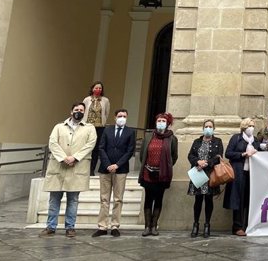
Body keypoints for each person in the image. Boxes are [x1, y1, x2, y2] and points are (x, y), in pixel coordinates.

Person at [39, 102, 97, 238]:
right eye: (76, 109)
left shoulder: (90, 128)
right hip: (59, 167)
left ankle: (70, 227)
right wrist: (64, 158)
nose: (79, 112)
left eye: (82, 110)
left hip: (77, 168)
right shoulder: (59, 127)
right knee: (54, 200)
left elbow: (90, 144)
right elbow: (52, 142)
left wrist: (75, 158)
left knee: (73, 200)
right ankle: (50, 227)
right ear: (71, 112)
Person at [92, 109, 136, 238]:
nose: (122, 118)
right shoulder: (107, 130)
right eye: (120, 116)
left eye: (124, 116)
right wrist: (108, 164)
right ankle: (102, 226)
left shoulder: (130, 132)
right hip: (105, 169)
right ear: (115, 117)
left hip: (121, 170)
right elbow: (101, 147)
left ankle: (115, 225)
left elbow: (130, 151)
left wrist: (117, 165)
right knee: (104, 199)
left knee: (118, 199)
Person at [138, 113, 178, 236]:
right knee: (148, 199)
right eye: (159, 120)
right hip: (147, 173)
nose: (161, 122)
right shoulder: (149, 136)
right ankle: (147, 226)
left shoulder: (172, 138)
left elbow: (174, 157)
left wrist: (165, 167)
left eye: (163, 120)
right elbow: (142, 155)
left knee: (159, 199)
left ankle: (154, 226)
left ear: (167, 123)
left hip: (162, 175)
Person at [223, 118, 260, 236]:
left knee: (249, 199)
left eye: (253, 126)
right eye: (250, 125)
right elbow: (228, 153)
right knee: (238, 199)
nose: (252, 128)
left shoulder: (255, 141)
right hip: (238, 173)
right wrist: (243, 154)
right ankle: (237, 226)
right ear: (244, 127)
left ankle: (248, 225)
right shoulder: (236, 138)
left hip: (252, 174)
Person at [187, 119, 224, 238]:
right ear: (203, 128)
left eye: (210, 126)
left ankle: (207, 224)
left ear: (214, 128)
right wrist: (197, 162)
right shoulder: (196, 141)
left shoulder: (218, 141)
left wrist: (207, 163)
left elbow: (218, 157)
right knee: (198, 200)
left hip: (210, 174)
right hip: (198, 173)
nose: (208, 128)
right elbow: (190, 155)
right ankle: (196, 224)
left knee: (209, 200)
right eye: (206, 126)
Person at [83, 81, 110, 176]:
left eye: (100, 88)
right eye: (96, 88)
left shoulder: (105, 100)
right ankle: (84, 168)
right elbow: (83, 111)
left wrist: (103, 122)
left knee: (96, 149)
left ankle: (91, 170)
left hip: (99, 127)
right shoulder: (87, 100)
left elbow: (106, 113)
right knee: (87, 147)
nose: (98, 89)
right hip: (88, 126)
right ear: (92, 89)